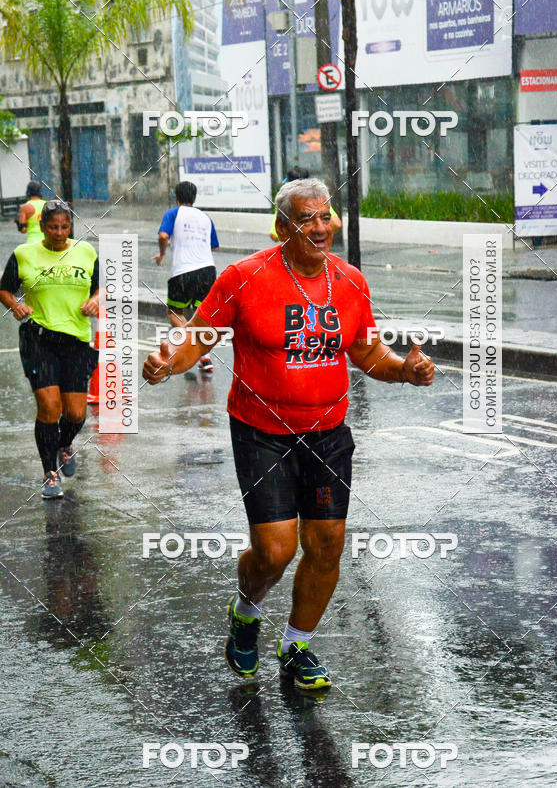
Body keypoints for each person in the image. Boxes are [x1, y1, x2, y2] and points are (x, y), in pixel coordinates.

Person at [143, 178, 434, 690]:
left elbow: (367, 353)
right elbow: (199, 336)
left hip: (326, 432)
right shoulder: (244, 277)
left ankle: (296, 643)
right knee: (275, 551)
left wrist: (404, 370)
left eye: (326, 217)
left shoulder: (351, 282)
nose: (321, 228)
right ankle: (247, 608)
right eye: (307, 219)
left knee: (326, 546)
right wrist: (170, 364)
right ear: (282, 227)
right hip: (262, 432)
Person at [0, 200, 99, 499]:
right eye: (53, 227)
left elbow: (100, 285)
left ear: (71, 227)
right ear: (42, 226)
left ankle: (64, 444)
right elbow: (4, 289)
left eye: (64, 227)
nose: (59, 232)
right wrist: (15, 305)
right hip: (38, 338)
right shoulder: (24, 254)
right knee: (50, 407)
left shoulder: (86, 251)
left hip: (76, 340)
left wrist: (97, 299)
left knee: (76, 413)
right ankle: (49, 472)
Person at [154, 180, 219, 374]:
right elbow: (214, 245)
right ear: (194, 197)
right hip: (208, 271)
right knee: (200, 316)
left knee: (174, 312)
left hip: (183, 271)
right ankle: (204, 354)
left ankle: (198, 352)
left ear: (177, 196)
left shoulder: (173, 213)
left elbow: (163, 236)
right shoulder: (205, 217)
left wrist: (162, 254)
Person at [269, 167, 342, 242]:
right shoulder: (318, 200)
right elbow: (337, 224)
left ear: (288, 184)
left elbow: (274, 235)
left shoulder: (286, 202)